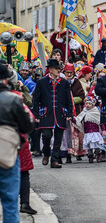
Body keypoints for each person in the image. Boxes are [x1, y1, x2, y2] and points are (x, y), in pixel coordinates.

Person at [0, 63, 34, 223]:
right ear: (6, 80)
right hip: (7, 153)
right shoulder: (14, 99)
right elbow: (28, 126)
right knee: (10, 201)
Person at [32, 59, 73, 168]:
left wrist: (69, 113)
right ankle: (46, 153)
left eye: (59, 68)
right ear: (50, 69)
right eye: (56, 68)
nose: (58, 70)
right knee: (46, 135)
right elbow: (36, 100)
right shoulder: (41, 82)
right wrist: (36, 115)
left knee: (58, 138)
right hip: (46, 113)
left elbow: (69, 98)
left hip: (60, 113)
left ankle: (54, 160)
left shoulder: (64, 82)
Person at [63, 63, 85, 163]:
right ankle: (68, 153)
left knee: (78, 133)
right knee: (68, 133)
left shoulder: (76, 82)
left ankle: (79, 152)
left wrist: (72, 100)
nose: (68, 75)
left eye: (70, 73)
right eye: (67, 73)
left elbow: (82, 96)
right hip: (65, 111)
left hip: (77, 111)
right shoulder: (62, 82)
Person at [74, 97, 104, 163]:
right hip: (87, 132)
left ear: (93, 105)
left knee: (96, 144)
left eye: (89, 104)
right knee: (89, 145)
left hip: (95, 132)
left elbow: (99, 121)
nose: (87, 105)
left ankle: (98, 155)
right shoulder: (84, 112)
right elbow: (78, 119)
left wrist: (103, 129)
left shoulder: (95, 112)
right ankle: (90, 156)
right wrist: (73, 119)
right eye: (86, 104)